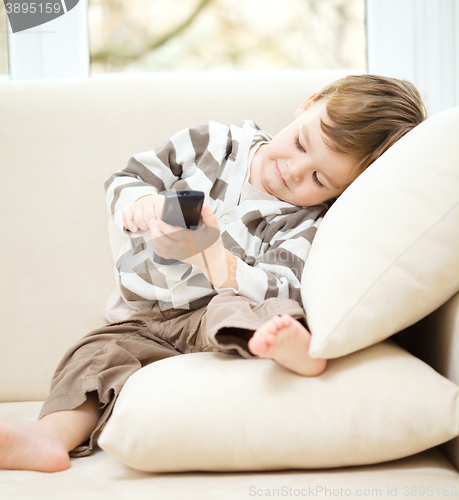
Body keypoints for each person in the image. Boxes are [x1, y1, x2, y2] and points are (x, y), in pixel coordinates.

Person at [0, 75, 426, 472]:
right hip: (146, 318)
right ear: (306, 105)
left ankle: (295, 348)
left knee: (257, 307)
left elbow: (285, 283)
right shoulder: (214, 144)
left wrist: (215, 261)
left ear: (343, 191)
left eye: (318, 177)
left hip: (212, 313)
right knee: (95, 354)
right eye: (300, 144)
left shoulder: (307, 220)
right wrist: (140, 204)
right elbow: (128, 177)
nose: (294, 171)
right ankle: (49, 436)